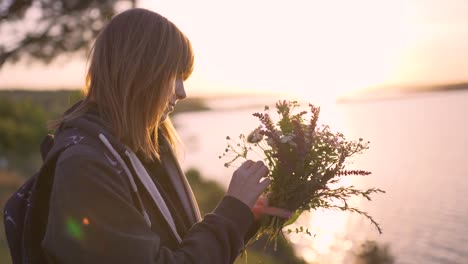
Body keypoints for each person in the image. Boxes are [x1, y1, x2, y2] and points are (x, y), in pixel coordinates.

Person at [41, 8, 291, 263]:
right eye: (176, 76)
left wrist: (245, 217)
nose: (182, 93)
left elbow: (181, 249)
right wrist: (231, 210)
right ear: (140, 71)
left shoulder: (145, 148)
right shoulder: (85, 167)